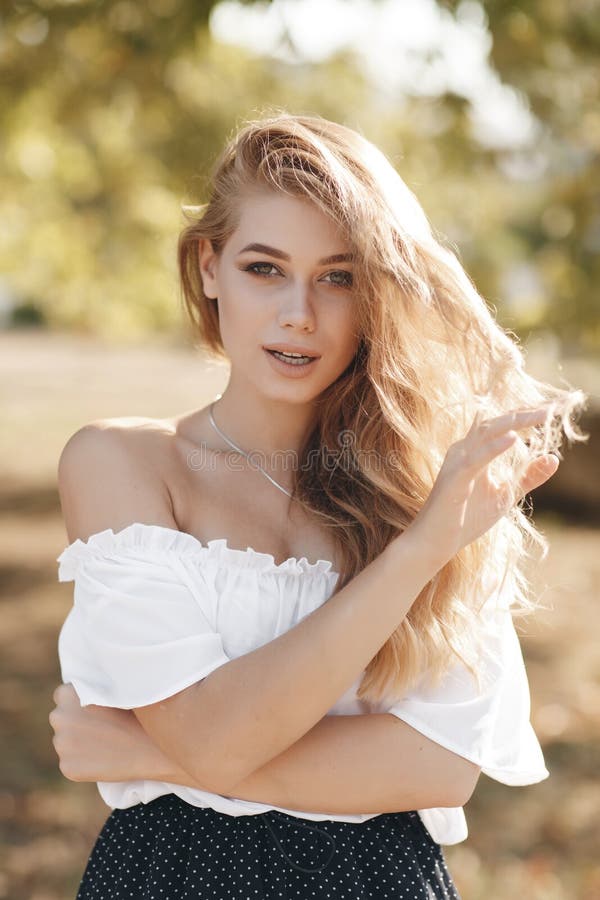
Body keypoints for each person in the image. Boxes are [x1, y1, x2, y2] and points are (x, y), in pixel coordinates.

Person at [49, 112, 586, 900]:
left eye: (339, 276)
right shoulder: (123, 464)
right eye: (265, 268)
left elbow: (440, 766)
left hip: (382, 880)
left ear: (376, 294)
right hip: (171, 877)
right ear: (209, 266)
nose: (299, 313)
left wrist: (150, 754)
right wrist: (201, 747)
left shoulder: (432, 488)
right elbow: (214, 736)